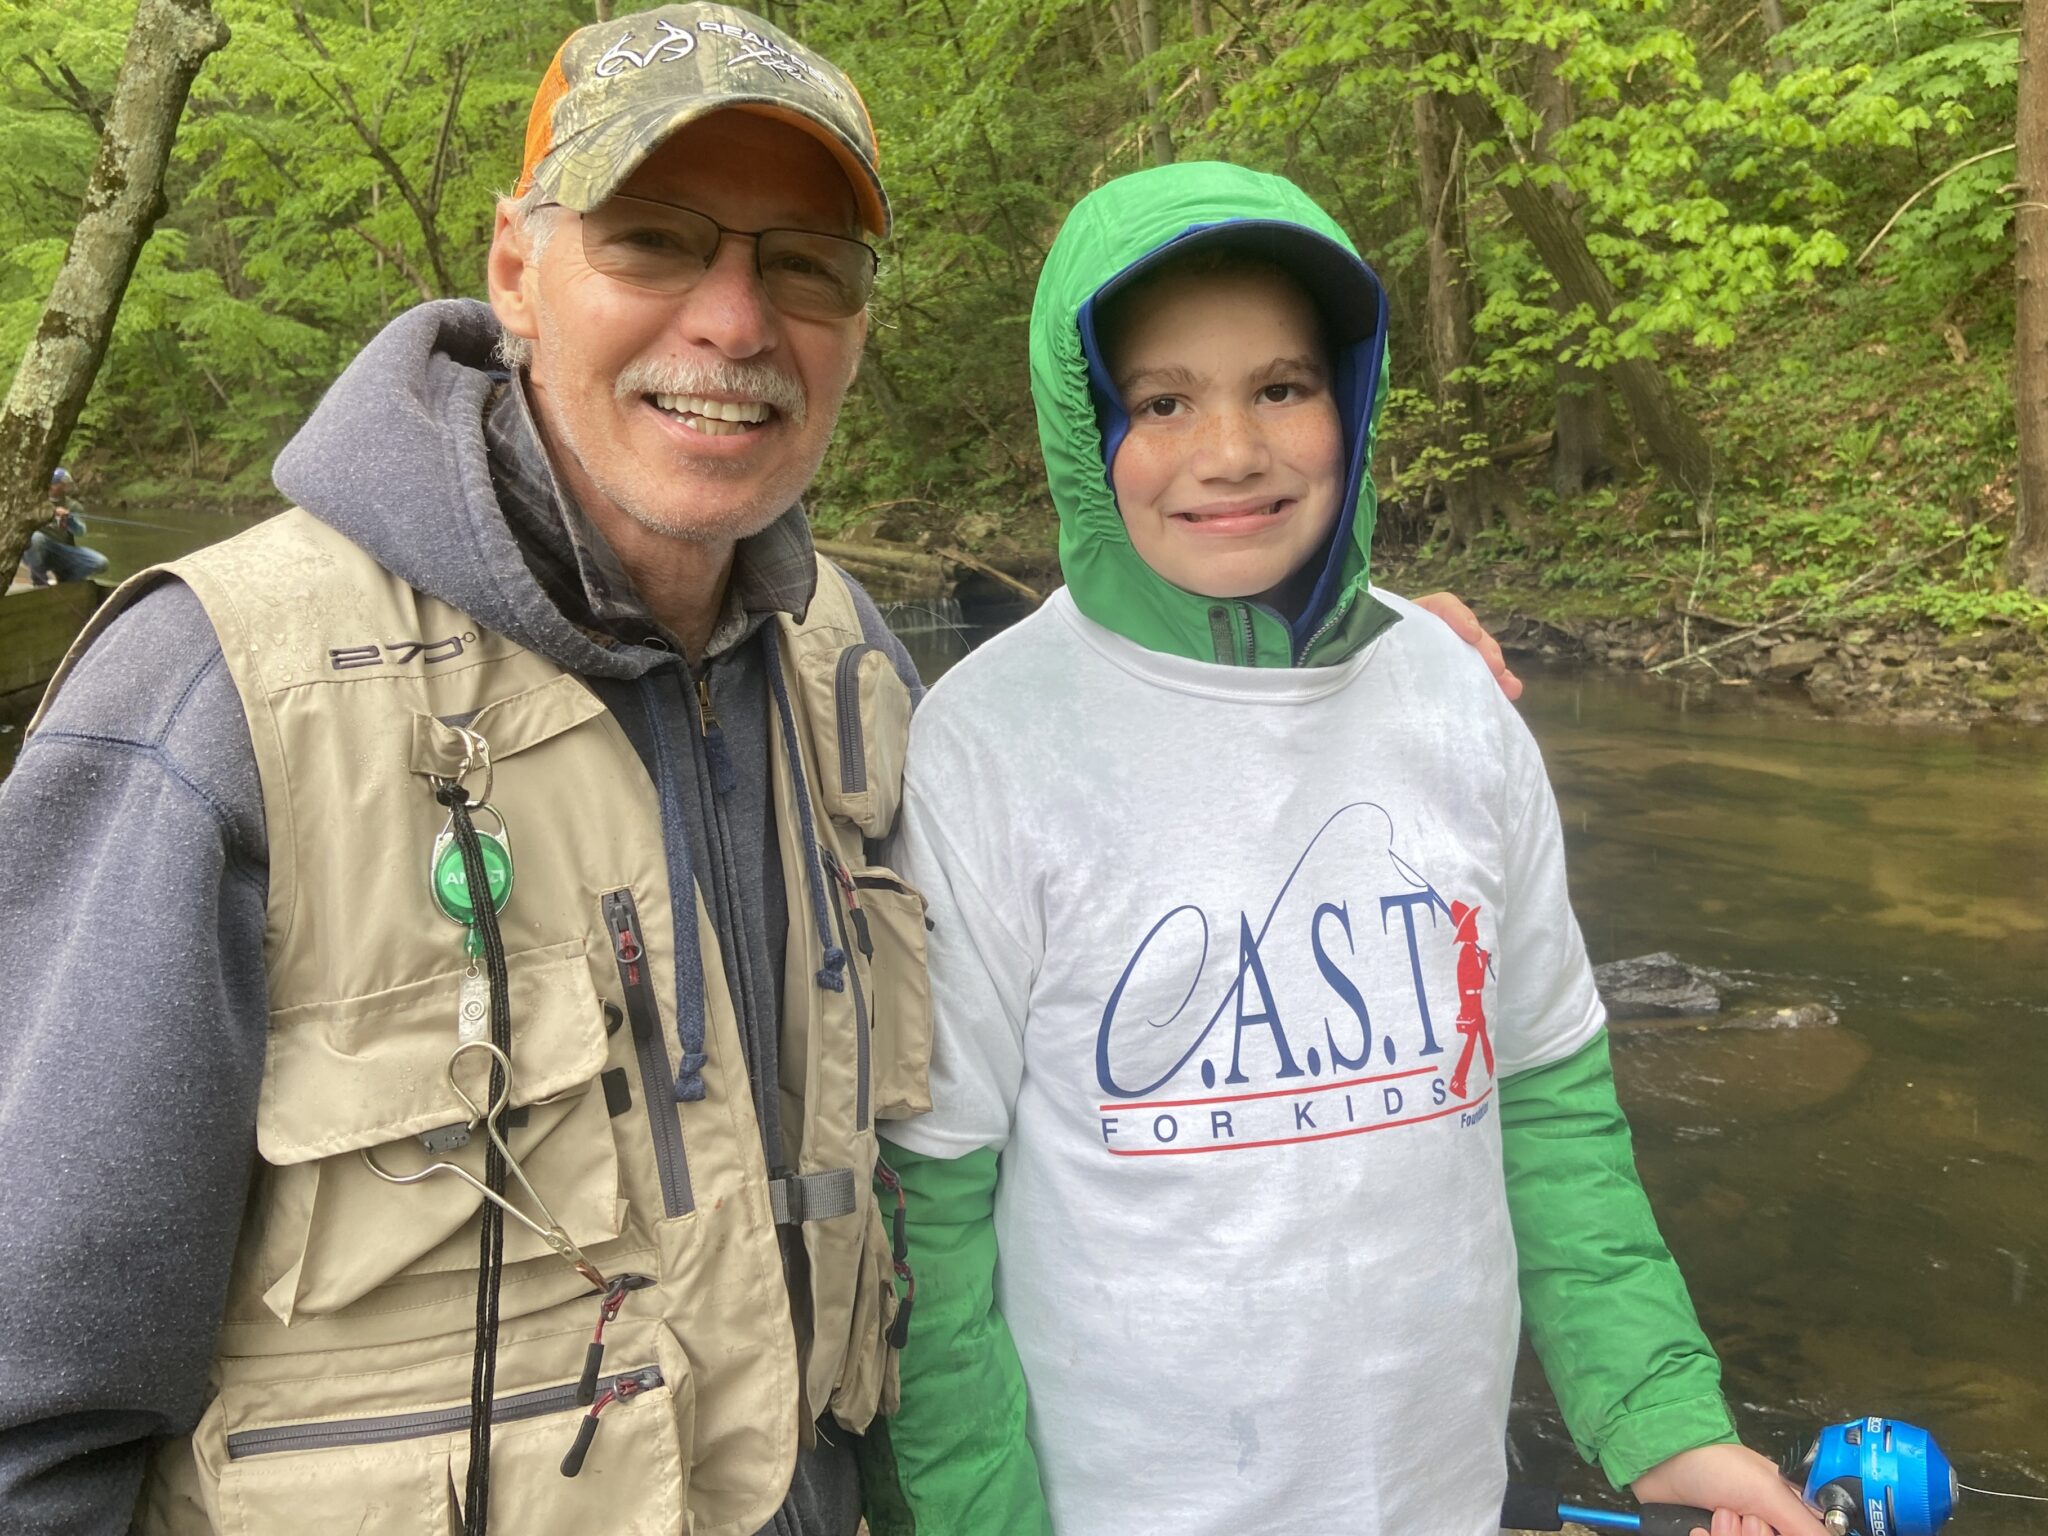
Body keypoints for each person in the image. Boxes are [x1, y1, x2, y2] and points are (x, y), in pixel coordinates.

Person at [0, 10, 1507, 1536]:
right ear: (516, 267)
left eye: (804, 263)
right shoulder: (218, 699)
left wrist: (1340, 669)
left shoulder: (849, 661)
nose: (735, 320)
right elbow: (31, 1414)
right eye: (654, 240)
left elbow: (1106, 899)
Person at [874, 163, 1829, 1536]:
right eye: (1161, 402)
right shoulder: (988, 744)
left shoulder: (1454, 697)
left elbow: (1550, 1102)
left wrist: (1661, 1414)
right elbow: (930, 1215)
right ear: (1086, 427)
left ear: (1352, 397)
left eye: (1281, 387)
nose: (1231, 451)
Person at [23, 466, 109, 585]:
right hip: (38, 551)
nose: (64, 487)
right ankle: (40, 582)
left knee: (101, 562)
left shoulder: (73, 505)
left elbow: (81, 532)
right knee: (36, 538)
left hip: (64, 550)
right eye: (59, 484)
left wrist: (70, 520)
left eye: (64, 484)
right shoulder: (34, 502)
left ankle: (68, 580)